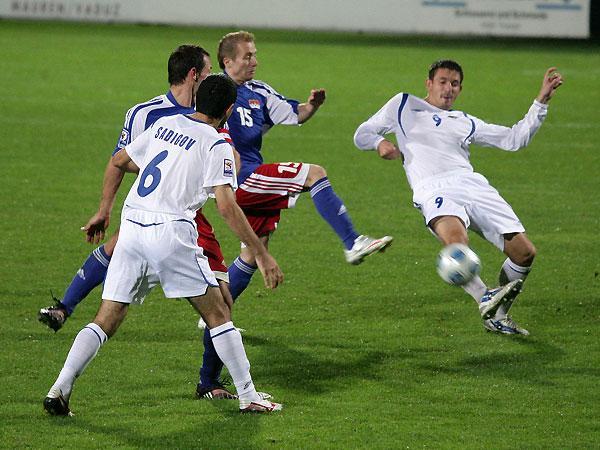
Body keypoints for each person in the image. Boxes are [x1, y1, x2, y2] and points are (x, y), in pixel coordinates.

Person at [43, 74, 284, 416]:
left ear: (198, 100)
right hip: (170, 232)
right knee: (218, 313)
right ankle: (249, 395)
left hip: (132, 226)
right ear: (229, 110)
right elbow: (226, 206)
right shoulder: (216, 144)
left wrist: (167, 165)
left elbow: (120, 160)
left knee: (107, 317)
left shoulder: (165, 124)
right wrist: (261, 253)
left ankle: (60, 388)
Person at [195, 31, 394, 396]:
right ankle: (352, 242)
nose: (255, 61)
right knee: (315, 173)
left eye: (255, 55)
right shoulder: (214, 91)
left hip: (248, 180)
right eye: (248, 56)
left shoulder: (259, 92)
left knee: (253, 252)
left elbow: (294, 114)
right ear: (227, 61)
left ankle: (215, 310)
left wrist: (312, 105)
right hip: (241, 180)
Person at [38, 45, 234, 340]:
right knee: (116, 251)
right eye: (208, 73)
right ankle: (64, 307)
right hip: (157, 207)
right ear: (194, 75)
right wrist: (104, 209)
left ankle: (216, 358)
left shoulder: (210, 114)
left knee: (224, 298)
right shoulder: (146, 114)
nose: (212, 78)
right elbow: (119, 161)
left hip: (193, 212)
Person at [353, 60, 563, 335]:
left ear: (460, 89)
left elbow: (514, 139)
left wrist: (541, 102)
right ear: (429, 84)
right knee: (456, 243)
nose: (448, 88)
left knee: (524, 253)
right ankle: (483, 295)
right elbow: (362, 133)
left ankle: (497, 316)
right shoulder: (403, 105)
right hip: (434, 189)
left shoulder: (466, 121)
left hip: (473, 186)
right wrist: (379, 142)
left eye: (454, 84)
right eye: (442, 81)